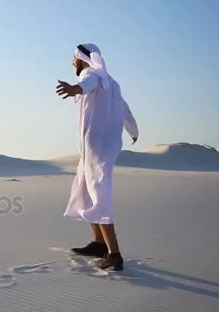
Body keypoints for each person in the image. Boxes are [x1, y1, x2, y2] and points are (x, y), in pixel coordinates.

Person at [55, 43, 139, 271]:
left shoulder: (91, 74)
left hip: (97, 147)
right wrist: (133, 130)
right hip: (98, 147)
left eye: (74, 58)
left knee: (99, 195)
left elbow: (86, 84)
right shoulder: (112, 83)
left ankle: (114, 254)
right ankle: (98, 243)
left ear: (82, 59)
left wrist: (75, 88)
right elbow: (125, 109)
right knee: (86, 192)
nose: (73, 62)